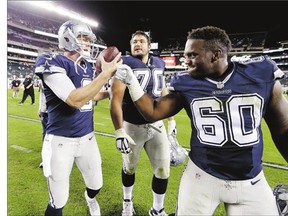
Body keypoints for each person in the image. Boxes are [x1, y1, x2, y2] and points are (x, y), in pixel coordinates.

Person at [115, 26, 288, 215]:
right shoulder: (186, 82)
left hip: (251, 180)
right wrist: (131, 81)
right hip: (201, 176)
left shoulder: (259, 74)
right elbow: (153, 111)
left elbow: (283, 129)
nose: (185, 60)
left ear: (216, 55)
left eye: (192, 55)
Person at [34, 19, 122, 216]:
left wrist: (110, 92)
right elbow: (74, 99)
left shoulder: (87, 66)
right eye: (82, 37)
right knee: (58, 201)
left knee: (96, 184)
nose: (87, 42)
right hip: (60, 141)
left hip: (87, 139)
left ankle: (90, 199)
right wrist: (105, 75)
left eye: (88, 39)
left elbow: (90, 95)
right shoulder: (50, 61)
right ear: (67, 38)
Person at [110, 30, 177, 216]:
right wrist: (119, 130)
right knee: (129, 168)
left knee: (163, 170)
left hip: (156, 125)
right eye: (134, 42)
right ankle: (127, 200)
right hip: (132, 126)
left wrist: (171, 119)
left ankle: (157, 209)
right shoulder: (125, 63)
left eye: (141, 41)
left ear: (149, 45)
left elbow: (162, 89)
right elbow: (115, 100)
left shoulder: (159, 62)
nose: (137, 44)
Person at [38, 79, 48, 168]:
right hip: (45, 112)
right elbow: (41, 95)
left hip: (56, 112)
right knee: (45, 135)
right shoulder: (42, 80)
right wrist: (40, 108)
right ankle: (45, 160)